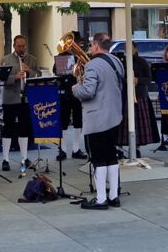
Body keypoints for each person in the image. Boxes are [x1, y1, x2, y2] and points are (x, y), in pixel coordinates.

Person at [72, 32, 124, 210]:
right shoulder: (117, 61)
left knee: (98, 158)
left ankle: (101, 198)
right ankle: (114, 196)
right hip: (114, 115)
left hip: (97, 118)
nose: (89, 49)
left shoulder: (92, 65)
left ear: (95, 46)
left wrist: (75, 88)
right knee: (111, 156)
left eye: (91, 46)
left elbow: (88, 91)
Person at [0, 35, 40, 172]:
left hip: (26, 99)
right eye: (19, 46)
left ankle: (24, 158)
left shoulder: (32, 59)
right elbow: (2, 78)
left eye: (23, 46)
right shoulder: (6, 60)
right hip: (10, 99)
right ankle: (5, 159)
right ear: (14, 46)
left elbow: (39, 75)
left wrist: (30, 72)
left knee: (24, 128)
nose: (22, 49)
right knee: (8, 128)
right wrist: (15, 77)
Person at [117, 44, 159, 153]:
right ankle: (120, 148)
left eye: (130, 48)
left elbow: (149, 79)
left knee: (139, 124)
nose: (128, 50)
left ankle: (137, 148)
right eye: (126, 48)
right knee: (123, 123)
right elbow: (118, 78)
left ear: (135, 49)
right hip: (125, 95)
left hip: (140, 96)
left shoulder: (142, 62)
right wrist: (127, 80)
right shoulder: (122, 62)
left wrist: (138, 80)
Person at [53, 33, 87, 161]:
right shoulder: (61, 56)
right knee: (64, 121)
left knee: (78, 120)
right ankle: (62, 150)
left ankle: (76, 149)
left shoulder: (80, 57)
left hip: (77, 91)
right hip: (64, 92)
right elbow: (55, 71)